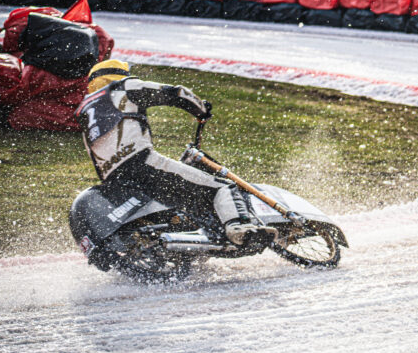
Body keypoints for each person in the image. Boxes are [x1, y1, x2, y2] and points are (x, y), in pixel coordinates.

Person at [76, 60, 275, 247]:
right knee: (222, 188)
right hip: (142, 164)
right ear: (121, 75)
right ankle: (240, 228)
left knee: (182, 199)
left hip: (113, 178)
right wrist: (201, 109)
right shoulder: (123, 87)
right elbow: (176, 92)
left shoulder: (85, 109)